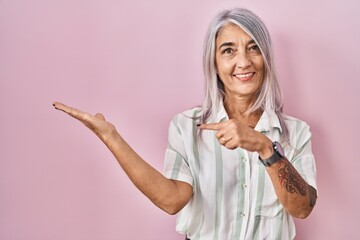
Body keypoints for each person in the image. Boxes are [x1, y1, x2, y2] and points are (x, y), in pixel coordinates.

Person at [53, 7, 317, 240]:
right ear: (213, 62)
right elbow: (171, 201)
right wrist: (112, 138)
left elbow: (302, 208)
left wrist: (265, 147)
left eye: (254, 48)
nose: (243, 62)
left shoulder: (295, 132)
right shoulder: (187, 127)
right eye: (228, 51)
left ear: (266, 58)